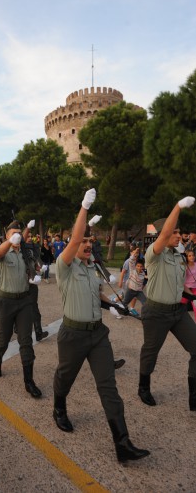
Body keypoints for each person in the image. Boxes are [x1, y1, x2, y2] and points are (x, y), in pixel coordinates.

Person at [53, 188, 150, 463]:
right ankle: (59, 407)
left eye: (89, 242)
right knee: (65, 377)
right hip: (72, 334)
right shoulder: (65, 266)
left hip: (97, 334)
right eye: (82, 241)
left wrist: (114, 305)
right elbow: (74, 238)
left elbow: (98, 295)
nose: (86, 244)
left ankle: (123, 443)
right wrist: (83, 208)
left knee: (108, 386)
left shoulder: (93, 268)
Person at [138, 195, 196, 412]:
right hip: (156, 312)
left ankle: (194, 396)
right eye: (175, 232)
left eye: (180, 232)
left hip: (177, 312)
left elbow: (182, 286)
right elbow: (163, 235)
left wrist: (193, 296)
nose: (179, 236)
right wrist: (178, 207)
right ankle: (143, 387)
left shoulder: (179, 257)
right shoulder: (155, 254)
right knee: (150, 352)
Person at [0, 220, 42, 398]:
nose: (17, 236)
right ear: (7, 236)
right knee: (4, 338)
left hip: (24, 301)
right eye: (13, 233)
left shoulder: (25, 254)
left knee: (26, 340)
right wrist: (10, 241)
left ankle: (29, 381)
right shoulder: (4, 252)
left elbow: (34, 267)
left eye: (19, 234)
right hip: (6, 301)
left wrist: (37, 270)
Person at [181, 250, 196, 320]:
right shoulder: (184, 266)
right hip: (186, 290)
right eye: (189, 256)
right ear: (186, 257)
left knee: (195, 307)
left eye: (193, 255)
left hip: (194, 289)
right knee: (180, 307)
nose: (192, 257)